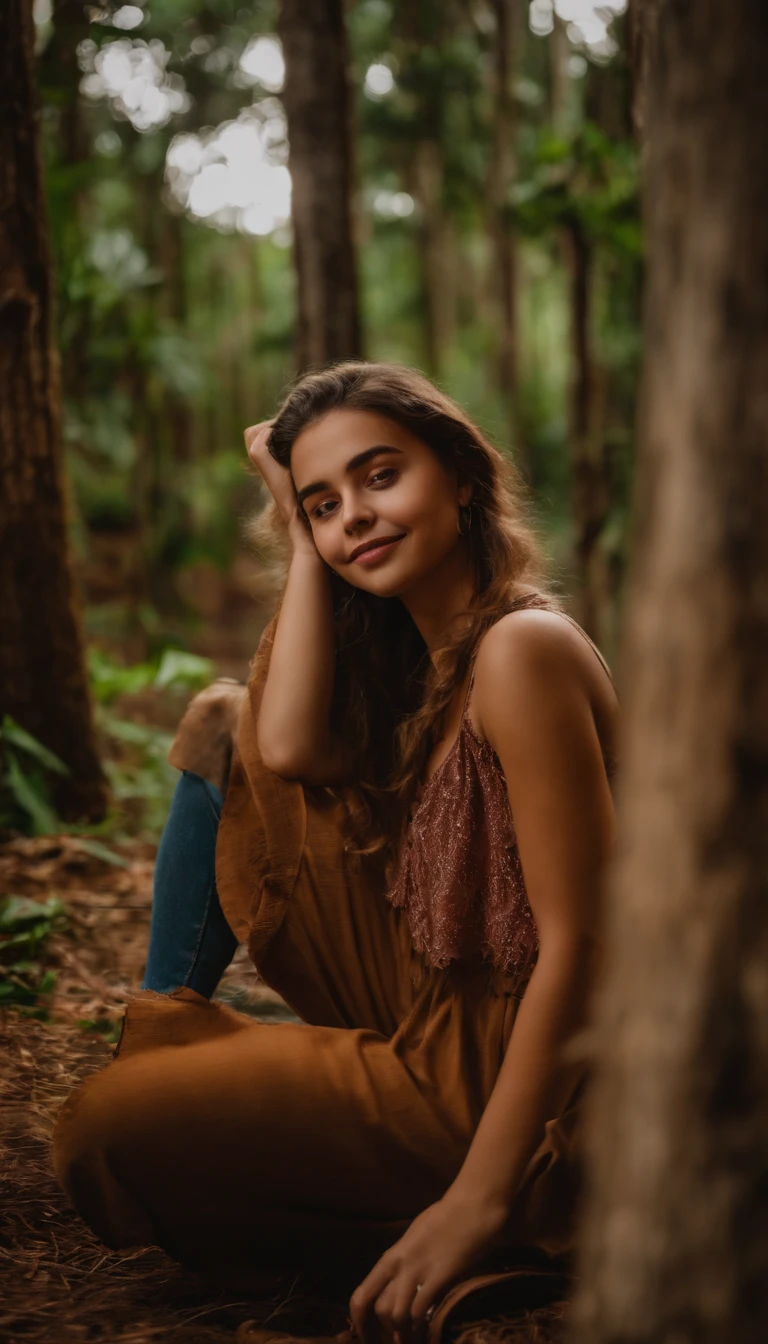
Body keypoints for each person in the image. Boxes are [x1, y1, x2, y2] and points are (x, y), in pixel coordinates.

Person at [52, 362, 619, 1342]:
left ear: (462, 476)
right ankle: (181, 1033)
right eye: (324, 503)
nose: (353, 515)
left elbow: (587, 944)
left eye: (380, 476)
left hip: (522, 1081)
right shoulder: (440, 660)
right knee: (230, 721)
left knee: (103, 1129)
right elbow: (287, 750)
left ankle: (505, 1221)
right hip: (434, 1013)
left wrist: (473, 1200)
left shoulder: (522, 651)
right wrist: (300, 531)